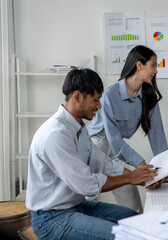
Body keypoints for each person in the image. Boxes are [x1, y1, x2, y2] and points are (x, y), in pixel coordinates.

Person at [26, 68, 158, 240]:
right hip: (51, 218)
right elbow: (86, 185)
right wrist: (130, 178)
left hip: (77, 206)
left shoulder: (79, 128)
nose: (99, 106)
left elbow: (104, 163)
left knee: (135, 219)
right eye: (95, 100)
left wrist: (140, 177)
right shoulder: (56, 135)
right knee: (124, 236)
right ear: (77, 96)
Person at [87, 45, 168, 212]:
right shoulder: (110, 93)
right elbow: (114, 139)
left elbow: (157, 134)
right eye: (153, 65)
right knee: (88, 200)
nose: (156, 70)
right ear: (139, 65)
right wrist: (142, 165)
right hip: (94, 147)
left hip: (115, 151)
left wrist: (166, 166)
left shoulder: (148, 96)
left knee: (133, 204)